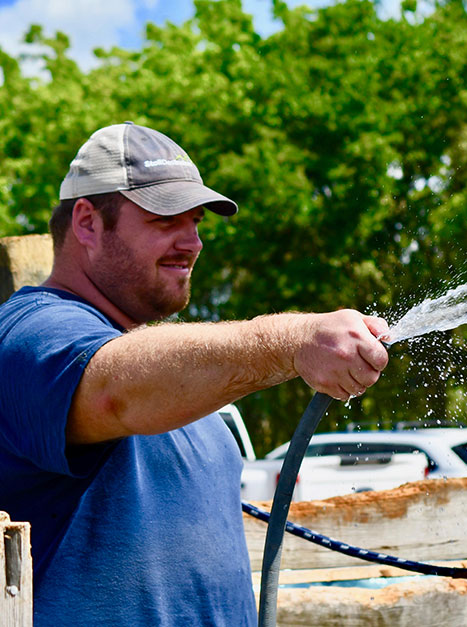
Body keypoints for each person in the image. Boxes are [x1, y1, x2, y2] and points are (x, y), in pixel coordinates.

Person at [0, 122, 389, 625]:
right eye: (166, 219)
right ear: (88, 223)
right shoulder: (28, 332)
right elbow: (114, 391)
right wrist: (293, 341)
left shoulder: (179, 382)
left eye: (197, 221)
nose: (194, 242)